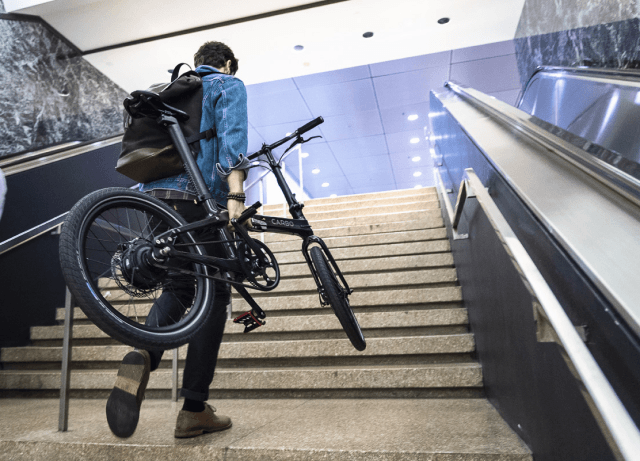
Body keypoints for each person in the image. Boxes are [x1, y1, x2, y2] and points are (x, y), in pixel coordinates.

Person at [106, 41, 251, 439]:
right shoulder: (227, 84)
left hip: (154, 200)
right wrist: (236, 197)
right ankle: (193, 409)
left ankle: (142, 353)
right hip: (195, 196)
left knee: (180, 284)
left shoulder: (170, 91)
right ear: (226, 63)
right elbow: (232, 138)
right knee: (217, 292)